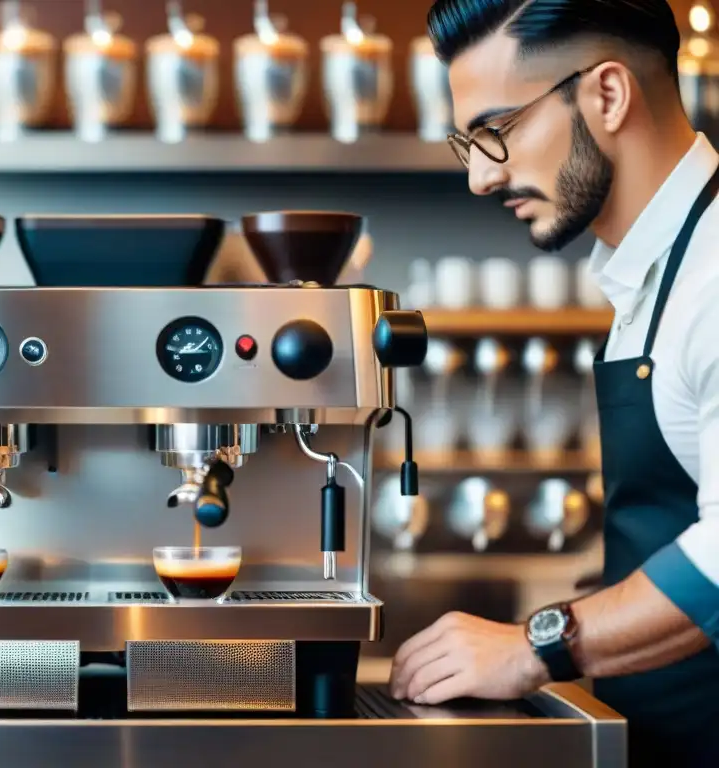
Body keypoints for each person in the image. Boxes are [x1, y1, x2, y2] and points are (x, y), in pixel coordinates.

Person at [388, 1, 719, 765]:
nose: (479, 175)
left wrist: (538, 646)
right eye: (466, 142)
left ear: (607, 94)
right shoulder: (648, 277)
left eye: (496, 131)